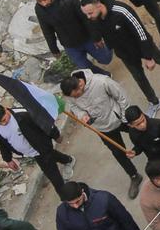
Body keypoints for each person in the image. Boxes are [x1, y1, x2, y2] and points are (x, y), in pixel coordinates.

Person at [79, 0, 160, 113]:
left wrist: (148, 57)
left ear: (99, 5)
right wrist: (96, 38)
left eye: (90, 13)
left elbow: (140, 32)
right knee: (139, 77)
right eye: (86, 14)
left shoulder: (121, 11)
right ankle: (154, 102)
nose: (88, 17)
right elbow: (93, 27)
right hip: (124, 53)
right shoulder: (94, 17)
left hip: (141, 46)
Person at [60, 70, 145, 198]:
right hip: (102, 128)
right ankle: (134, 176)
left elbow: (122, 97)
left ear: (80, 85)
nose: (75, 98)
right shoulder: (71, 95)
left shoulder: (101, 81)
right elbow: (74, 107)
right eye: (72, 96)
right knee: (118, 152)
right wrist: (82, 115)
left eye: (76, 95)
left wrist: (125, 117)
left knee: (142, 131)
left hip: (120, 118)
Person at [31, 0, 112, 75]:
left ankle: (109, 41)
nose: (43, 3)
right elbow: (47, 30)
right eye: (39, 1)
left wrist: (96, 37)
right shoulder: (39, 10)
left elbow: (86, 19)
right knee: (85, 69)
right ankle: (103, 75)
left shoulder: (69, 0)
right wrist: (54, 49)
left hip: (86, 38)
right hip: (70, 46)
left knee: (106, 59)